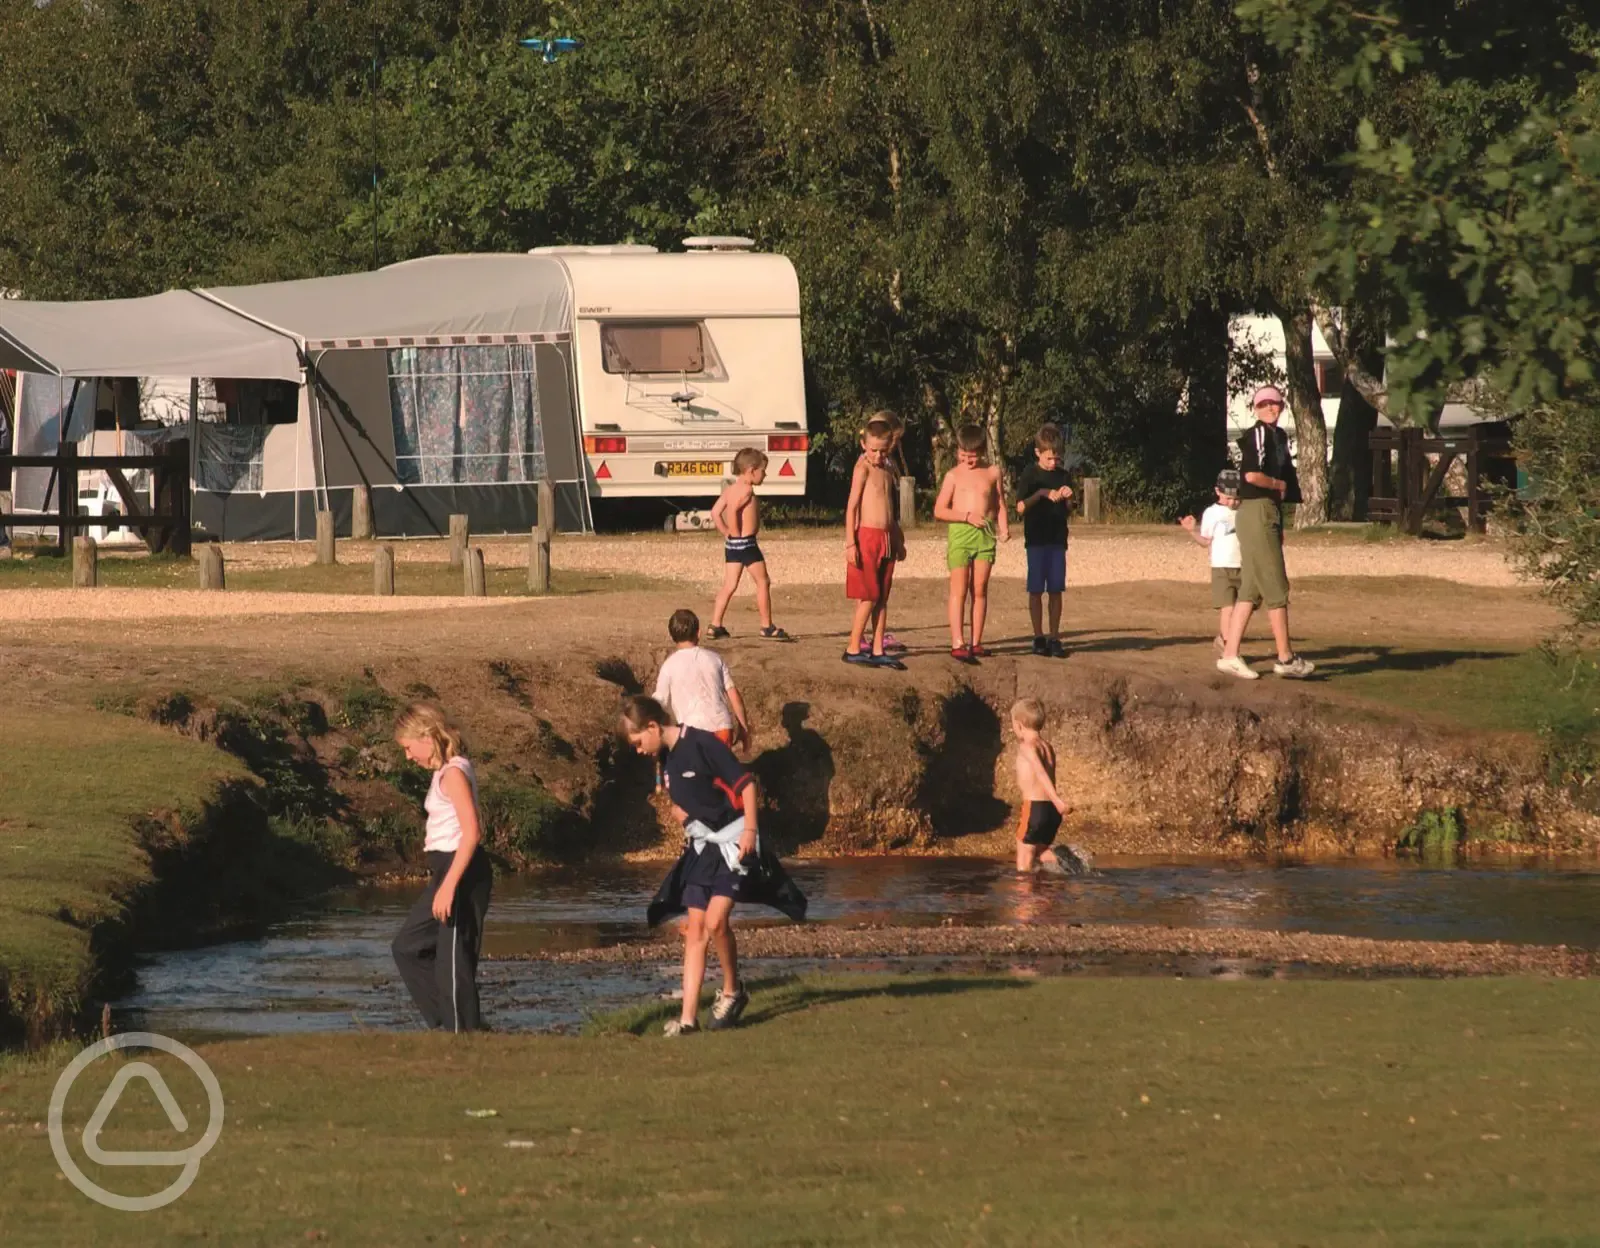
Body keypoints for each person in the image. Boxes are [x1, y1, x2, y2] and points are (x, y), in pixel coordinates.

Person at [621, 695, 807, 1035]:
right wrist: (683, 816)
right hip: (702, 848)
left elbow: (747, 785)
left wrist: (751, 830)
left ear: (652, 726)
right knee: (695, 930)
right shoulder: (664, 759)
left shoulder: (703, 743)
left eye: (637, 742)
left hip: (735, 841)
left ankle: (733, 991)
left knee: (716, 921)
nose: (637, 750)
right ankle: (688, 1019)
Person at [391, 702, 494, 1032]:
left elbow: (472, 831)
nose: (408, 757)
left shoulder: (452, 773)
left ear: (425, 736)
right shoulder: (444, 772)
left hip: (460, 871)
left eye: (408, 748)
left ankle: (462, 1034)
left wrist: (450, 885)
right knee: (406, 946)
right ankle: (450, 1023)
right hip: (446, 871)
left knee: (453, 962)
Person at [1218, 386, 1316, 680]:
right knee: (1276, 586)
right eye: (1265, 404)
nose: (1272, 408)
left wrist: (1280, 522)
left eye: (1276, 403)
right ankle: (1285, 657)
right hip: (1257, 509)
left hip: (1265, 513)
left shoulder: (1279, 436)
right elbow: (1250, 475)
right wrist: (1278, 485)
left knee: (1251, 588)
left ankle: (1230, 654)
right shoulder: (1259, 433)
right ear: (1256, 408)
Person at [934, 423, 1009, 661]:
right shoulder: (953, 476)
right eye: (963, 454)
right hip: (961, 534)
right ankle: (958, 642)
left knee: (980, 589)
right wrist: (966, 517)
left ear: (983, 451)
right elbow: (940, 510)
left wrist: (1004, 527)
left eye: (973, 454)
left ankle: (976, 642)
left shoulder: (993, 472)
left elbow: (999, 505)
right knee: (959, 589)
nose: (968, 459)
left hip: (985, 536)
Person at [844, 418, 906, 668]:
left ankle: (878, 647)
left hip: (887, 537)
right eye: (873, 450)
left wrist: (899, 539)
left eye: (883, 450)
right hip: (866, 537)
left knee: (882, 597)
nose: (878, 455)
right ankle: (853, 646)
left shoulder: (887, 470)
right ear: (863, 445)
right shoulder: (863, 469)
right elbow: (851, 508)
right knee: (868, 595)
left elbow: (890, 509)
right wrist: (851, 543)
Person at [708, 447, 787, 641]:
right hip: (747, 544)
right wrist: (734, 531)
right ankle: (766, 625)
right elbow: (733, 511)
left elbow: (715, 513)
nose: (765, 474)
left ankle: (715, 625)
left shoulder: (730, 490)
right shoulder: (746, 491)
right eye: (763, 470)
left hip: (733, 546)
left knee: (729, 585)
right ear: (751, 470)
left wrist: (727, 533)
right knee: (763, 581)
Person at [1013, 423, 1074, 657]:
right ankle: (1038, 636)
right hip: (1036, 540)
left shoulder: (1063, 475)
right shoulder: (1030, 475)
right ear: (1038, 453)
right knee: (1036, 589)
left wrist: (1068, 498)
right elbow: (1019, 508)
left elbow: (1069, 509)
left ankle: (1055, 636)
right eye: (1049, 458)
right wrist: (1041, 494)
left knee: (1056, 589)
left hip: (1058, 539)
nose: (1053, 463)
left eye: (1056, 459)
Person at [653, 608, 752, 751]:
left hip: (692, 732)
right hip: (722, 727)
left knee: (697, 772)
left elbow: (659, 702)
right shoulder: (715, 658)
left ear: (672, 636)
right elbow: (733, 695)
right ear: (698, 633)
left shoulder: (669, 665)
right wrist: (744, 728)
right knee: (719, 771)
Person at [1010, 699, 1083, 875]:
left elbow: (1041, 774)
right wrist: (1055, 804)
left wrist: (1058, 801)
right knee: (1041, 851)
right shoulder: (1047, 747)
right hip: (1050, 811)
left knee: (1024, 858)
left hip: (1036, 806)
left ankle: (1024, 901)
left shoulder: (1027, 747)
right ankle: (1071, 866)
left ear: (1019, 725)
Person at [1180, 468, 1243, 654]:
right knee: (1228, 607)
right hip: (1221, 566)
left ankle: (1225, 640)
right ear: (1217, 492)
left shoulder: (1245, 511)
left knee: (1243, 607)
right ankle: (1228, 645)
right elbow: (1205, 541)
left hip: (1243, 565)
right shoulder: (1212, 513)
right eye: (1228, 497)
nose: (1232, 502)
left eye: (1236, 498)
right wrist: (1192, 531)